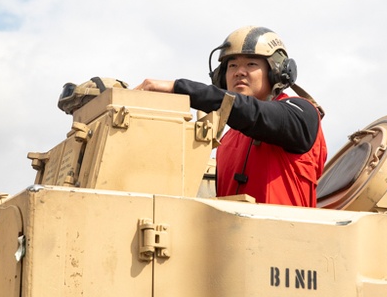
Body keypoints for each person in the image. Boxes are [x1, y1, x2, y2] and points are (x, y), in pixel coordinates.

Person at [137, 26, 327, 207]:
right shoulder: (227, 140)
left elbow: (254, 113)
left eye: (251, 64)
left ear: (277, 72)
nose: (239, 72)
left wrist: (179, 88)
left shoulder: (301, 113)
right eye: (232, 65)